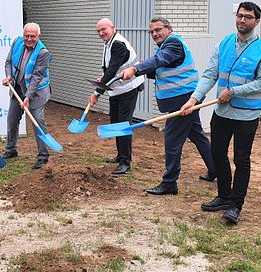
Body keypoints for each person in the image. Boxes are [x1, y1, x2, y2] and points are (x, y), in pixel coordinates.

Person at [180, 2, 261, 225]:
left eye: (248, 17)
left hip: (247, 115)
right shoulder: (224, 44)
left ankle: (235, 205)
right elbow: (209, 75)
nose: (242, 20)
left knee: (241, 159)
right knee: (217, 153)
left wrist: (233, 91)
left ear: (257, 21)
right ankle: (223, 196)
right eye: (240, 16)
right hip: (222, 112)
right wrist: (193, 99)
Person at [121, 16, 215, 196]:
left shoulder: (173, 44)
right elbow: (162, 67)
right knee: (197, 135)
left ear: (169, 29)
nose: (154, 34)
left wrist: (135, 69)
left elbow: (160, 60)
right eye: (152, 32)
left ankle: (170, 182)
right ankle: (215, 168)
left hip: (184, 100)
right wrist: (144, 69)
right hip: (185, 97)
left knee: (172, 141)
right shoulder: (166, 47)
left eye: (158, 30)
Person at [88, 18, 145, 175]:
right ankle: (120, 156)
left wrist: (96, 94)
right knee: (115, 122)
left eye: (104, 29)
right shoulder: (109, 42)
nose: (101, 33)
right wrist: (102, 77)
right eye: (98, 31)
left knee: (123, 124)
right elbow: (109, 68)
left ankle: (125, 162)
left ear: (113, 28)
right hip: (116, 90)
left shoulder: (118, 44)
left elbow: (112, 70)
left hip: (129, 89)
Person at [1, 23, 52, 169]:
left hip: (36, 92)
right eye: (27, 36)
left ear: (38, 37)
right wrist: (9, 76)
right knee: (12, 119)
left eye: (32, 36)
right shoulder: (17, 42)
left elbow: (36, 77)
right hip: (17, 88)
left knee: (38, 122)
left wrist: (28, 97)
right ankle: (11, 150)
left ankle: (43, 155)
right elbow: (8, 62)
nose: (29, 39)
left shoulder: (43, 53)